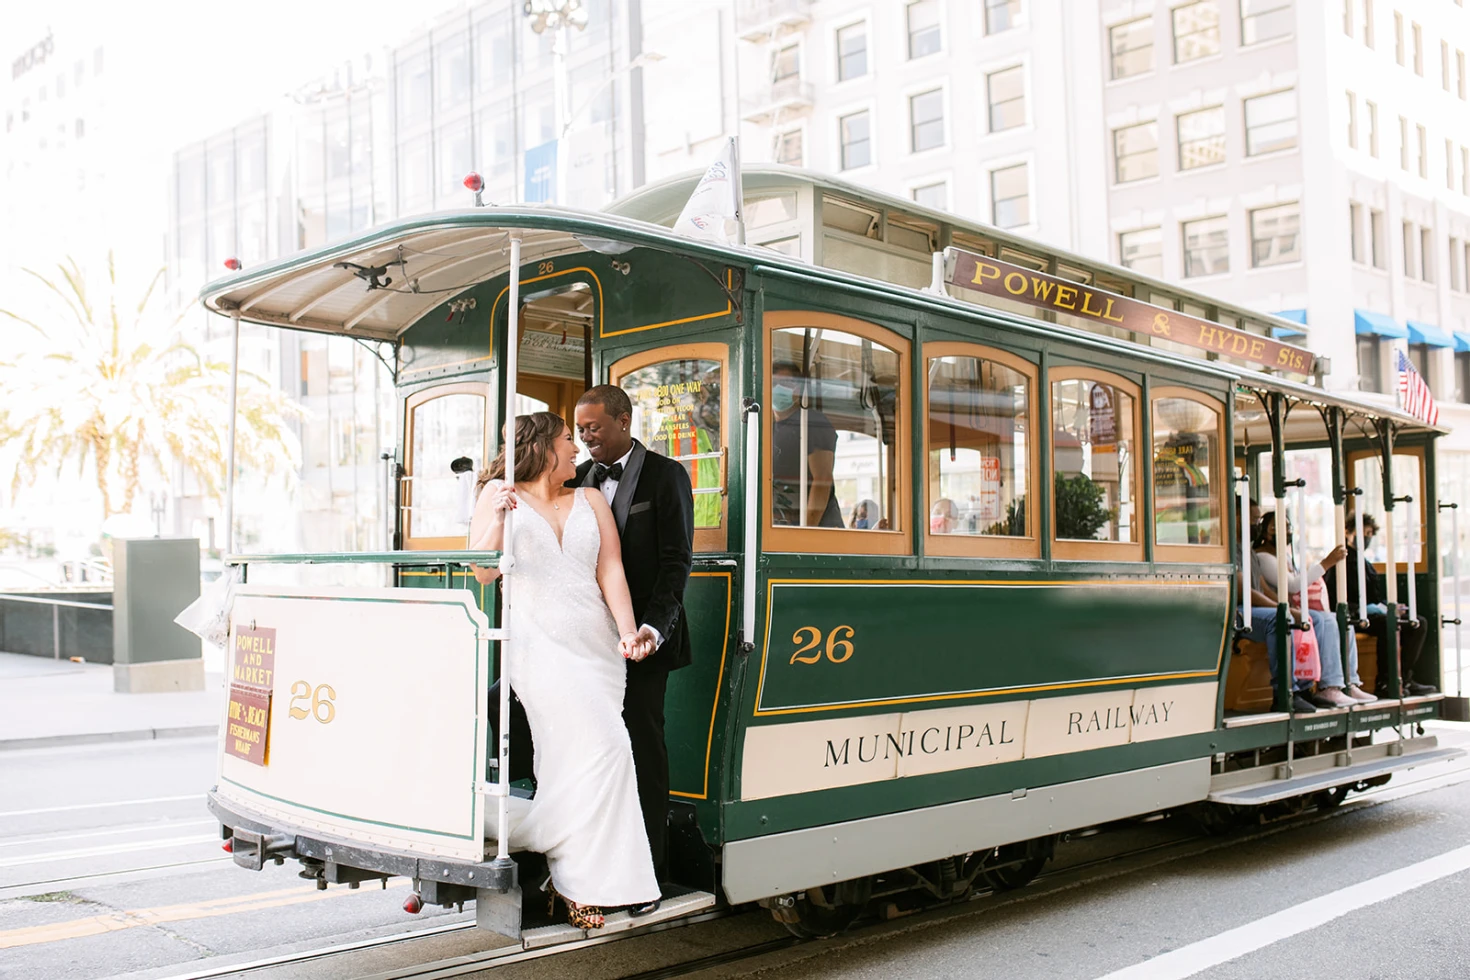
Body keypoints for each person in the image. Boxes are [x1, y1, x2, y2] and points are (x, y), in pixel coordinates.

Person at [468, 412, 659, 929]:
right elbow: (483, 569)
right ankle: (580, 883)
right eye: (567, 440)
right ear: (542, 447)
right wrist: (500, 519)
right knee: (608, 748)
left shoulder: (592, 499)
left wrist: (626, 631)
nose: (576, 449)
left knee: (584, 759)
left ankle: (598, 879)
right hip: (538, 648)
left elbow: (610, 569)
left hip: (595, 647)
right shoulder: (496, 494)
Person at [573, 384, 694, 916]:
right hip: (591, 641)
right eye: (579, 430)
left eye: (593, 427)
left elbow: (676, 564)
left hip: (646, 640)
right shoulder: (579, 479)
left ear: (623, 420)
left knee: (644, 749)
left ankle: (652, 874)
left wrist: (651, 629)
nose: (585, 437)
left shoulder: (668, 476)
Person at [1251, 513, 1374, 706]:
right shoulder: (1263, 557)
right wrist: (1325, 564)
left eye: (1287, 527)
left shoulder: (1284, 557)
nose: (1284, 532)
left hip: (1290, 606)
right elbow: (1291, 586)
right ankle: (1328, 686)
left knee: (1343, 623)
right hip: (1278, 608)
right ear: (1265, 532)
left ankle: (1348, 682)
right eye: (1276, 528)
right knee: (1322, 620)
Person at [1326, 511, 1434, 697]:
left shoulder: (1364, 562)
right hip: (1354, 615)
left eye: (1369, 534)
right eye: (1363, 533)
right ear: (1347, 531)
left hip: (1371, 612)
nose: (1366, 538)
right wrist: (1367, 609)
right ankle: (1385, 681)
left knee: (1418, 623)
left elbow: (1373, 596)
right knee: (1387, 625)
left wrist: (1390, 607)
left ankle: (1404, 678)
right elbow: (1334, 598)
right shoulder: (1340, 561)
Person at [770, 361, 844, 528]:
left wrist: (807, 530)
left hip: (817, 531)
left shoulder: (812, 422)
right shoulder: (765, 428)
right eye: (774, 383)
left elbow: (822, 479)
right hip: (780, 530)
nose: (778, 388)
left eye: (786, 383)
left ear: (800, 388)